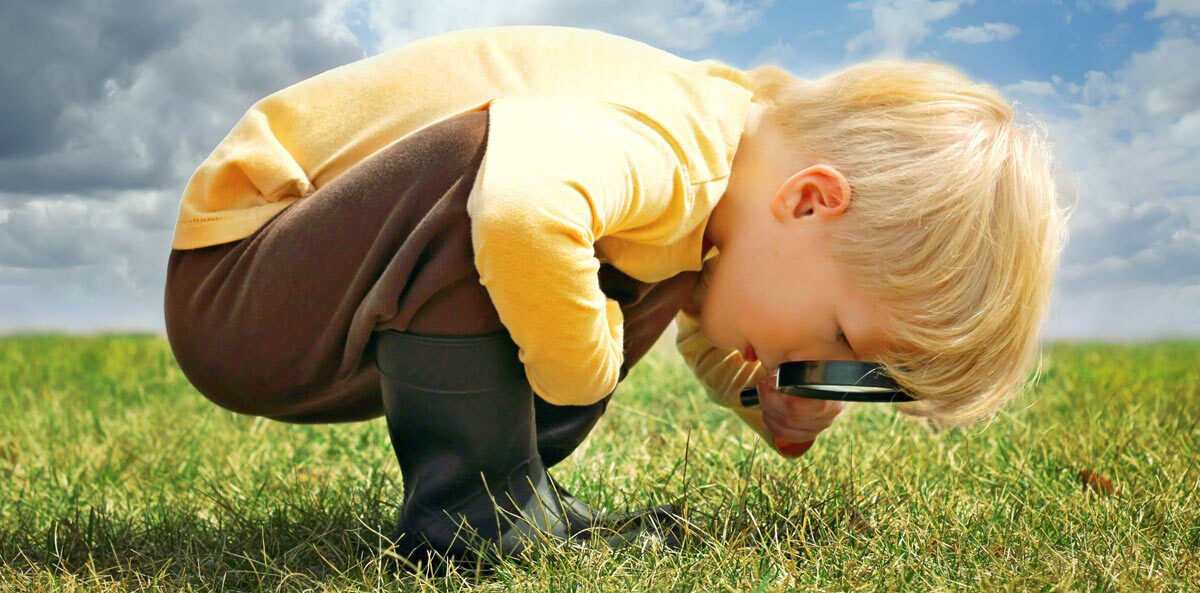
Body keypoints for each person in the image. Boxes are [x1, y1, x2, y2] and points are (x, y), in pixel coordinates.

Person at [162, 25, 1069, 567]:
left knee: (630, 266)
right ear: (810, 199)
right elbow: (518, 211)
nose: (823, 364)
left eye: (848, 373)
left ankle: (512, 488)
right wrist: (582, 371)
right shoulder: (676, 145)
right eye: (838, 335)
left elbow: (709, 295)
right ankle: (479, 519)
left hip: (319, 284)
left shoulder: (724, 176)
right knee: (504, 190)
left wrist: (772, 392)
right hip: (246, 277)